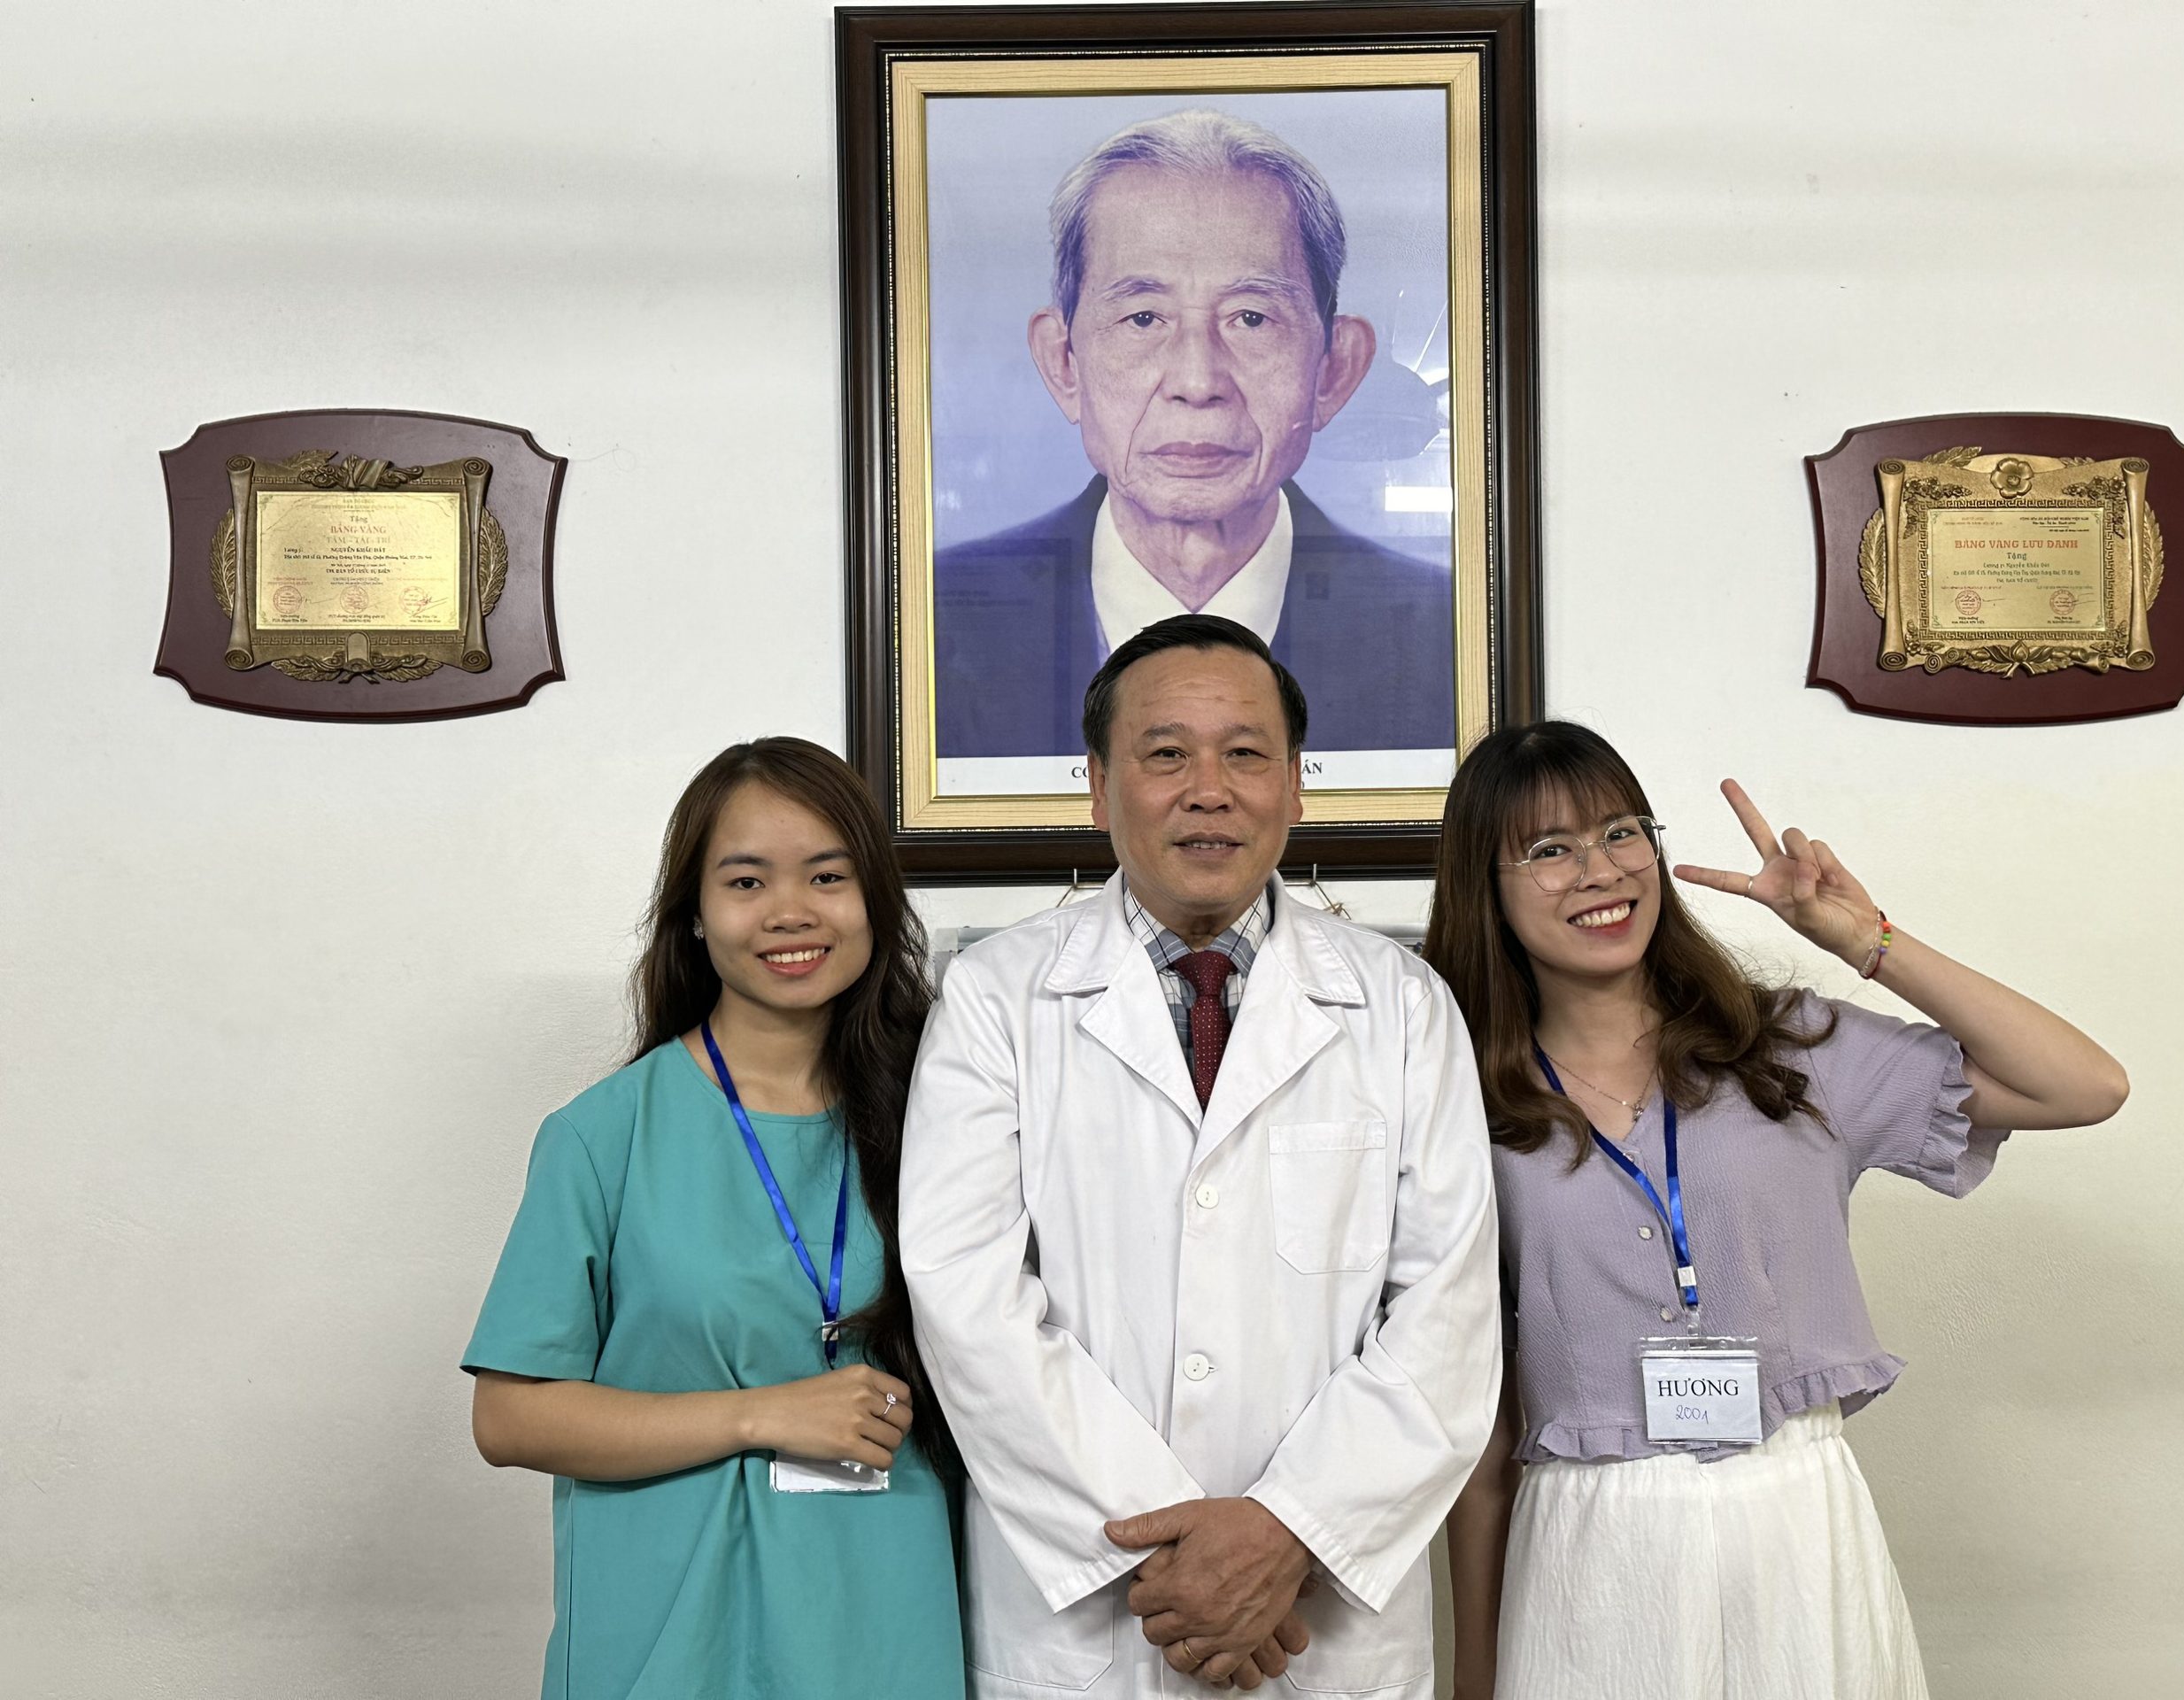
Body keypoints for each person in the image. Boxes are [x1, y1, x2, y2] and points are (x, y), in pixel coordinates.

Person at [1425, 722, 2128, 1700]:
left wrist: (1866, 942)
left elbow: (2085, 1086)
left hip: (1799, 1528)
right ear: (1486, 888)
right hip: (1591, 1553)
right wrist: (1476, 1668)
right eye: (1550, 849)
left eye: (1621, 833)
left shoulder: (1787, 1048)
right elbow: (1483, 1424)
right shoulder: (1459, 1099)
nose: (1601, 871)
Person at [900, 613, 1501, 1699]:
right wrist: (1183, 1557)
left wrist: (1286, 1533)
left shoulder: (1403, 1005)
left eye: (1245, 753)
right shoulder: (995, 999)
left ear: (1295, 787)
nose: (1208, 790)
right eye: (1166, 753)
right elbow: (967, 1300)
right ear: (1098, 786)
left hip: (1318, 1615)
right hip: (1097, 1611)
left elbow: (1445, 1316)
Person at [460, 738, 964, 1699]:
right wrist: (762, 1413)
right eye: (746, 881)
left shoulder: (952, 1117)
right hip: (671, 1633)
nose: (790, 911)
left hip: (889, 1621)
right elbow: (509, 1415)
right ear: (693, 913)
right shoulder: (603, 1135)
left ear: (875, 900)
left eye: (828, 876)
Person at [933, 108, 1455, 761]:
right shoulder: (934, 620)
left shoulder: (1446, 632)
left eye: (1251, 318)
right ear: (1064, 363)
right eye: (1143, 318)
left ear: (1334, 369)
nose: (1197, 380)